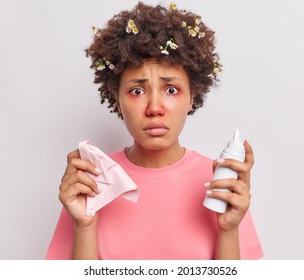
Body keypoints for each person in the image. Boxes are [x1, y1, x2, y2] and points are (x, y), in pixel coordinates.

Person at [46, 2, 263, 260]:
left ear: (192, 97)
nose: (154, 108)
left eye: (171, 89)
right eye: (137, 91)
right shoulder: (93, 181)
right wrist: (84, 225)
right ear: (117, 99)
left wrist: (228, 230)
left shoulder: (221, 183)